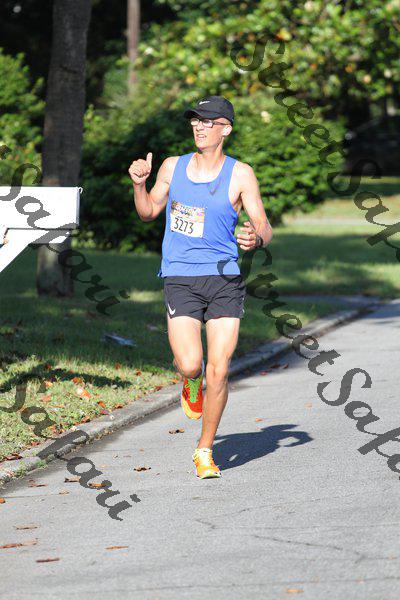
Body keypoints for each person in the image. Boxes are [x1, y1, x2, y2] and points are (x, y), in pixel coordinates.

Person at [128, 95, 273, 479]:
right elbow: (148, 212)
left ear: (226, 129)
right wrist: (139, 185)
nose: (199, 126)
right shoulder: (172, 167)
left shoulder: (240, 174)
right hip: (180, 277)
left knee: (219, 370)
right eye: (195, 120)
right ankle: (190, 382)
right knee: (192, 363)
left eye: (208, 121)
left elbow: (263, 224)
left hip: (224, 280)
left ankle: (205, 450)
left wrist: (256, 237)